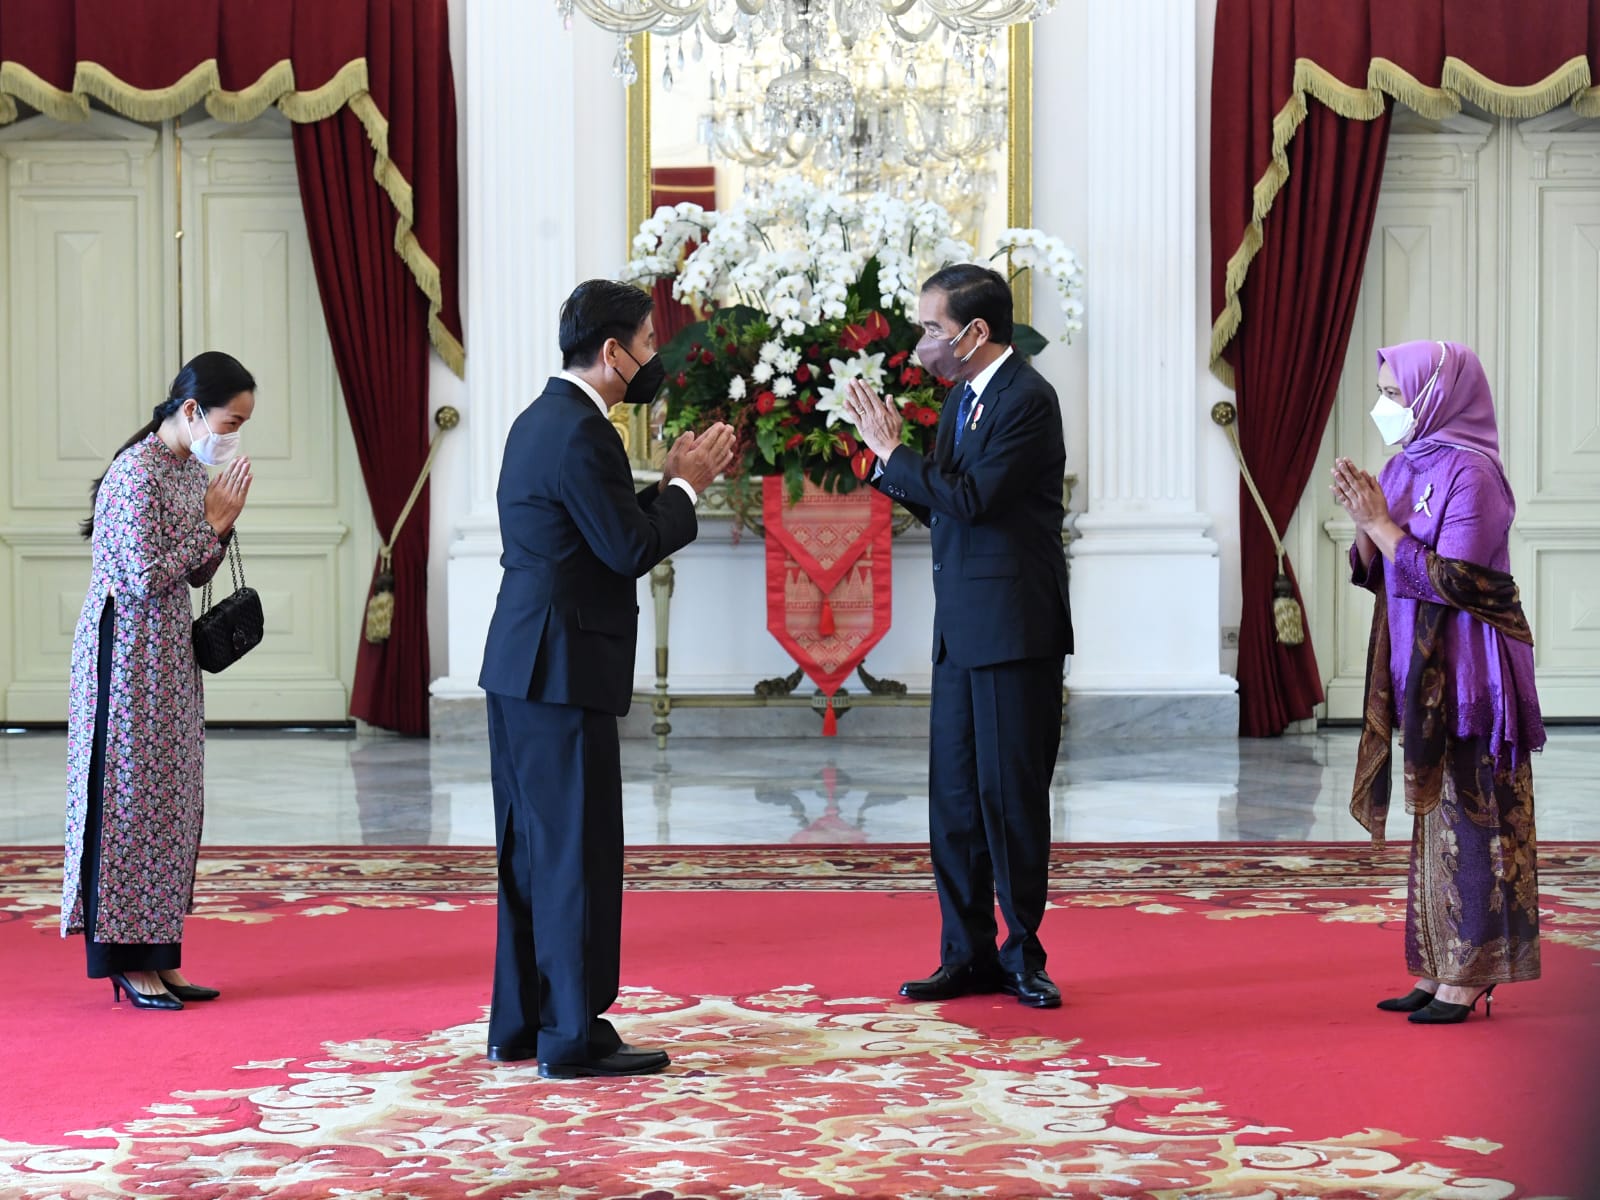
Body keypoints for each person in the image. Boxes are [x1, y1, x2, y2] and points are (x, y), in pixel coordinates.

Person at [479, 280, 736, 1077]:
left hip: (524, 662)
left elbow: (600, 531)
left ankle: (521, 1024)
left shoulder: (538, 420)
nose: (657, 356)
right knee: (575, 853)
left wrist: (661, 491)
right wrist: (687, 486)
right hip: (561, 667)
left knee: (532, 850)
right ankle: (572, 1037)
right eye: (650, 342)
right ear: (614, 352)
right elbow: (627, 550)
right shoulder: (583, 433)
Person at [843, 264, 1073, 1009]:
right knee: (956, 801)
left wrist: (891, 450)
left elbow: (971, 500)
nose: (922, 344)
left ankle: (1021, 954)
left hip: (1014, 631)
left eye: (932, 330)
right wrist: (892, 462)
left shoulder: (1027, 401)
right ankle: (964, 952)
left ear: (976, 333)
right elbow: (944, 504)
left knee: (1011, 800)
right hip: (962, 631)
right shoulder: (962, 402)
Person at [1332, 339, 1544, 1025]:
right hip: (1418, 668)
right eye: (1386, 392)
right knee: (1435, 816)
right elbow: (1383, 568)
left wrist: (1381, 526)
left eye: (1396, 394)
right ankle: (1435, 964)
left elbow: (1454, 580)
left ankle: (1472, 973)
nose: (1384, 406)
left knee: (1473, 814)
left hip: (1469, 668)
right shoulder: (1408, 462)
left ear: (1435, 396)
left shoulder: (1474, 475)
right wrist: (1365, 530)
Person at [62, 351, 257, 1011]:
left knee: (171, 804)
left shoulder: (180, 470)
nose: (232, 437)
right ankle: (124, 962)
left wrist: (216, 533)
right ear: (193, 410)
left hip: (169, 657)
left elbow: (193, 574)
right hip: (126, 659)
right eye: (231, 421)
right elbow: (142, 577)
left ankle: (160, 957)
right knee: (127, 804)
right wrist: (214, 526)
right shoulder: (136, 473)